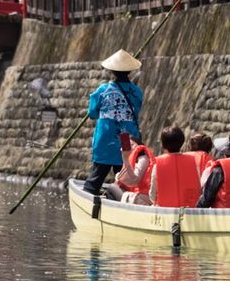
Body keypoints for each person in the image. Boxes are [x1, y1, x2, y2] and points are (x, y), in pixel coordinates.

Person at [83, 49, 143, 196]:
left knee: (97, 176)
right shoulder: (136, 91)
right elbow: (135, 111)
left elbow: (92, 113)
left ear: (112, 70)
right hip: (127, 138)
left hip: (106, 137)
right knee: (124, 174)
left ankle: (90, 201)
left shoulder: (103, 90)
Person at [148, 125, 201, 208]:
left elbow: (152, 196)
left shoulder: (158, 165)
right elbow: (198, 188)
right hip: (188, 211)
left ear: (163, 144)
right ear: (182, 142)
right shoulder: (193, 162)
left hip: (164, 212)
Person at [105, 133, 155, 204]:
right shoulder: (133, 158)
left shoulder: (143, 159)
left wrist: (125, 160)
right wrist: (119, 176)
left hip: (144, 198)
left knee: (112, 187)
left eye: (132, 145)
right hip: (138, 194)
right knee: (115, 186)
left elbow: (134, 181)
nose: (130, 148)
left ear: (139, 145)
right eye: (128, 146)